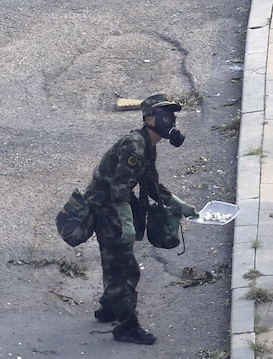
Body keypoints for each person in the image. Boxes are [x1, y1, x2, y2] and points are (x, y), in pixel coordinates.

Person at [84, 93, 199, 345]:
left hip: (112, 207)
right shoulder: (135, 146)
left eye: (172, 115)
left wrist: (177, 203)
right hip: (107, 210)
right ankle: (126, 327)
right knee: (124, 271)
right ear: (148, 118)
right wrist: (126, 223)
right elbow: (119, 189)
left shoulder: (148, 145)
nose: (170, 120)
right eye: (164, 115)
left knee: (116, 265)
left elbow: (151, 182)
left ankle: (109, 308)